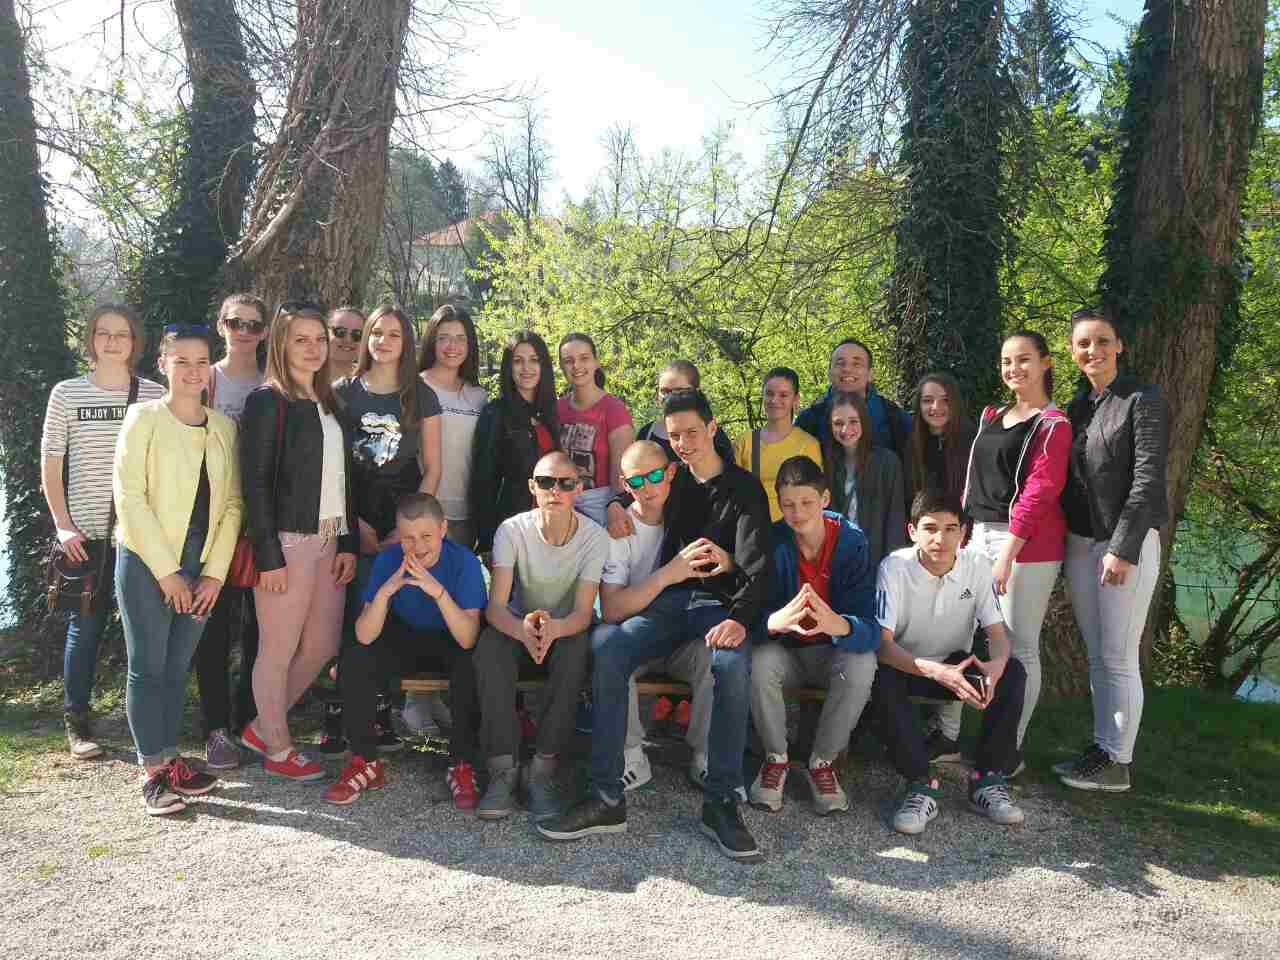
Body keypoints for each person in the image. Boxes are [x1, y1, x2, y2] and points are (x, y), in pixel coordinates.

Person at [541, 389, 770, 863]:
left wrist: (737, 612)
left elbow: (759, 569)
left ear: (712, 429)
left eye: (692, 432)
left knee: (730, 664)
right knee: (609, 648)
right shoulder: (674, 478)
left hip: (718, 605)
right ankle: (606, 797)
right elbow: (638, 480)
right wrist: (614, 503)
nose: (684, 443)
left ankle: (721, 802)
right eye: (675, 436)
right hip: (671, 602)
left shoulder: (744, 488)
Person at [114, 323, 243, 814]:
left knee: (175, 668)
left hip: (202, 566)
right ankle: (152, 774)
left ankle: (170, 761)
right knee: (148, 667)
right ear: (163, 365)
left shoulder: (224, 428)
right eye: (181, 361)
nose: (192, 370)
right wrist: (167, 572)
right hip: (148, 562)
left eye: (201, 361)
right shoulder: (143, 418)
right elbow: (129, 497)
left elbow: (233, 505)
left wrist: (214, 573)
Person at [239, 301, 358, 781]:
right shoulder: (267, 401)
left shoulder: (332, 402)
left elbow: (343, 480)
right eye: (301, 340)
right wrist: (268, 556)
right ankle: (278, 747)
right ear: (281, 344)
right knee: (278, 648)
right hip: (287, 542)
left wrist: (347, 542)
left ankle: (260, 728)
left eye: (319, 339)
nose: (313, 348)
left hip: (330, 538)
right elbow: (255, 485)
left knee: (323, 644)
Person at [41, 304, 164, 760]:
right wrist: (63, 526)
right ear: (90, 339)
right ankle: (77, 720)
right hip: (86, 534)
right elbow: (51, 464)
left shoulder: (154, 393)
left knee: (145, 632)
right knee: (85, 630)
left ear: (135, 341)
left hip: (140, 535)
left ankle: (147, 723)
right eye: (103, 333)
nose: (112, 342)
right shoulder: (67, 394)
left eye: (122, 334)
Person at [1056, 307, 1169, 792]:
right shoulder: (1078, 407)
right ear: (1072, 351)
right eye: (1083, 343)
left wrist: (1122, 548)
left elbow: (1147, 481)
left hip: (1125, 544)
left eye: (1102, 341)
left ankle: (1118, 760)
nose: (1093, 350)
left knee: (1119, 655)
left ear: (1119, 345)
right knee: (1098, 655)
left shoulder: (1142, 400)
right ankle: (1103, 746)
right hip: (1082, 543)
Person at [871, 490, 1026, 836]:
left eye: (950, 528)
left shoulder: (977, 565)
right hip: (908, 665)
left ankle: (986, 779)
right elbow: (883, 646)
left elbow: (997, 634)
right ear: (912, 531)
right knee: (879, 676)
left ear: (963, 533)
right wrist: (934, 670)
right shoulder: (894, 567)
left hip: (955, 666)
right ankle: (920, 783)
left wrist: (997, 664)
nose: (940, 539)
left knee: (1013, 673)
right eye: (930, 528)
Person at [323, 493, 486, 807]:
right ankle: (365, 760)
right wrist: (385, 593)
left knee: (472, 660)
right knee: (355, 656)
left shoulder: (463, 561)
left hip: (451, 638)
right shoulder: (389, 560)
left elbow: (467, 637)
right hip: (407, 637)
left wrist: (438, 592)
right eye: (409, 538)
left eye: (426, 536)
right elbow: (364, 635)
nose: (418, 546)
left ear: (443, 529)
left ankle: (462, 763)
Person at [954, 330, 1070, 767]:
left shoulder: (1053, 424)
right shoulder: (993, 415)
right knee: (965, 633)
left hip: (1025, 544)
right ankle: (955, 736)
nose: (1013, 369)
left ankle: (1008, 750)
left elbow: (1040, 491)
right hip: (979, 535)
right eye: (1006, 361)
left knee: (1018, 647)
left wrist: (1007, 554)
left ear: (1045, 363)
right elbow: (976, 483)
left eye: (1023, 359)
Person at [473, 451, 609, 821]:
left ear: (578, 489)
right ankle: (503, 768)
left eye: (566, 483)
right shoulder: (512, 530)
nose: (555, 490)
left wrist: (554, 630)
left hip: (565, 627)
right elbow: (495, 607)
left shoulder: (595, 537)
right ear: (533, 487)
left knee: (576, 651)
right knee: (489, 647)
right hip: (519, 623)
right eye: (546, 482)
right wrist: (523, 631)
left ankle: (543, 769)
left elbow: (583, 612)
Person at [750, 456, 879, 816]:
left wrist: (839, 624)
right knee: (759, 663)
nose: (798, 513)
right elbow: (749, 616)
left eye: (807, 502)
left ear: (824, 499)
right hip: (786, 651)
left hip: (831, 652)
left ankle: (822, 762)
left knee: (862, 664)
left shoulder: (852, 542)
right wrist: (772, 621)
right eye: (788, 504)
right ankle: (775, 758)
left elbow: (871, 630)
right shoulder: (771, 540)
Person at [595, 440, 715, 793]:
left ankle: (705, 754)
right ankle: (632, 754)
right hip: (636, 639)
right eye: (636, 481)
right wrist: (667, 575)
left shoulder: (690, 516)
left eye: (655, 476)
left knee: (716, 655)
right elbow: (612, 609)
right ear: (624, 484)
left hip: (681, 639)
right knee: (610, 647)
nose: (647, 488)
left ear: (672, 472)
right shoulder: (619, 530)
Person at [194, 293, 269, 771]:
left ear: (265, 332)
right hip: (214, 516)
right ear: (221, 325)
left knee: (262, 628)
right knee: (214, 628)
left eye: (253, 324)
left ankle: (252, 722)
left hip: (263, 518)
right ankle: (216, 728)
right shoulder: (207, 379)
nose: (243, 331)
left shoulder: (272, 381)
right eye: (235, 322)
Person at [470, 331, 561, 564]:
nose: (526, 368)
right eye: (518, 361)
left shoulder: (552, 412)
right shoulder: (495, 413)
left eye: (534, 360)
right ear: (508, 367)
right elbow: (483, 481)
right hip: (512, 526)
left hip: (551, 523)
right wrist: (487, 540)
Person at [418, 303, 487, 551]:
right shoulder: (415, 387)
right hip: (424, 508)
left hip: (466, 513)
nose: (452, 346)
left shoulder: (478, 395)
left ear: (470, 345)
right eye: (444, 338)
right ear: (432, 342)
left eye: (460, 339)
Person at [556, 331, 635, 525]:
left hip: (602, 506)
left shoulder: (614, 409)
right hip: (562, 502)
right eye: (568, 361)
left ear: (596, 362)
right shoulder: (557, 409)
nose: (576, 366)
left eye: (584, 358)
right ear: (561, 366)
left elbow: (621, 476)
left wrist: (616, 507)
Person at [824, 389, 907, 568]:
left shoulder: (887, 462)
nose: (846, 429)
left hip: (877, 560)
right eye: (838, 423)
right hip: (839, 561)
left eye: (853, 421)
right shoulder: (827, 464)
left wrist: (893, 566)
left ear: (864, 421)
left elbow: (895, 519)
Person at [795, 338, 911, 459]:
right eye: (840, 363)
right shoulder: (808, 421)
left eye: (856, 364)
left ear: (870, 374)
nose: (847, 369)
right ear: (829, 373)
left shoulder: (895, 418)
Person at [733, 367, 822, 522]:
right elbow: (732, 493)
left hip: (793, 530)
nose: (774, 400)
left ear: (795, 399)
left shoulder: (808, 445)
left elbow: (813, 498)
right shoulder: (745, 442)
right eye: (769, 394)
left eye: (783, 395)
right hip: (752, 528)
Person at [635, 359, 734, 463]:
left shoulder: (713, 435)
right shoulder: (646, 434)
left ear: (696, 392)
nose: (670, 397)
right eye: (665, 392)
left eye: (679, 391)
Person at [905, 372, 976, 508]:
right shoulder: (911, 443)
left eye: (945, 400)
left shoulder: (973, 441)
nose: (936, 407)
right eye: (928, 400)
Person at [326, 305, 365, 384]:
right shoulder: (305, 375)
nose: (348, 340)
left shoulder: (369, 383)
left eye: (357, 334)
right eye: (340, 332)